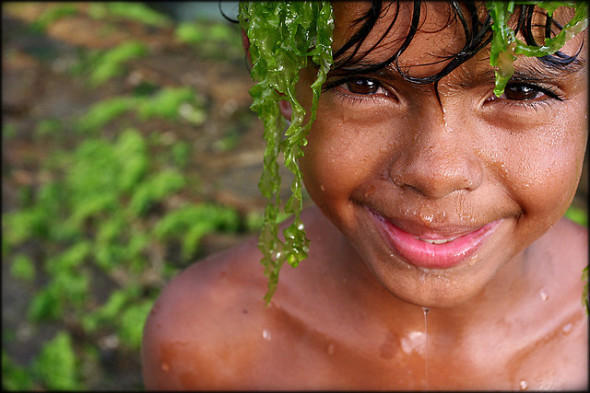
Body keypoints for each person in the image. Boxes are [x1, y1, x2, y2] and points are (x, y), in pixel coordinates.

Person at [141, 1, 588, 389]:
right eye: (365, 85)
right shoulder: (207, 343)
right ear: (277, 74)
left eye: (519, 90)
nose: (437, 173)